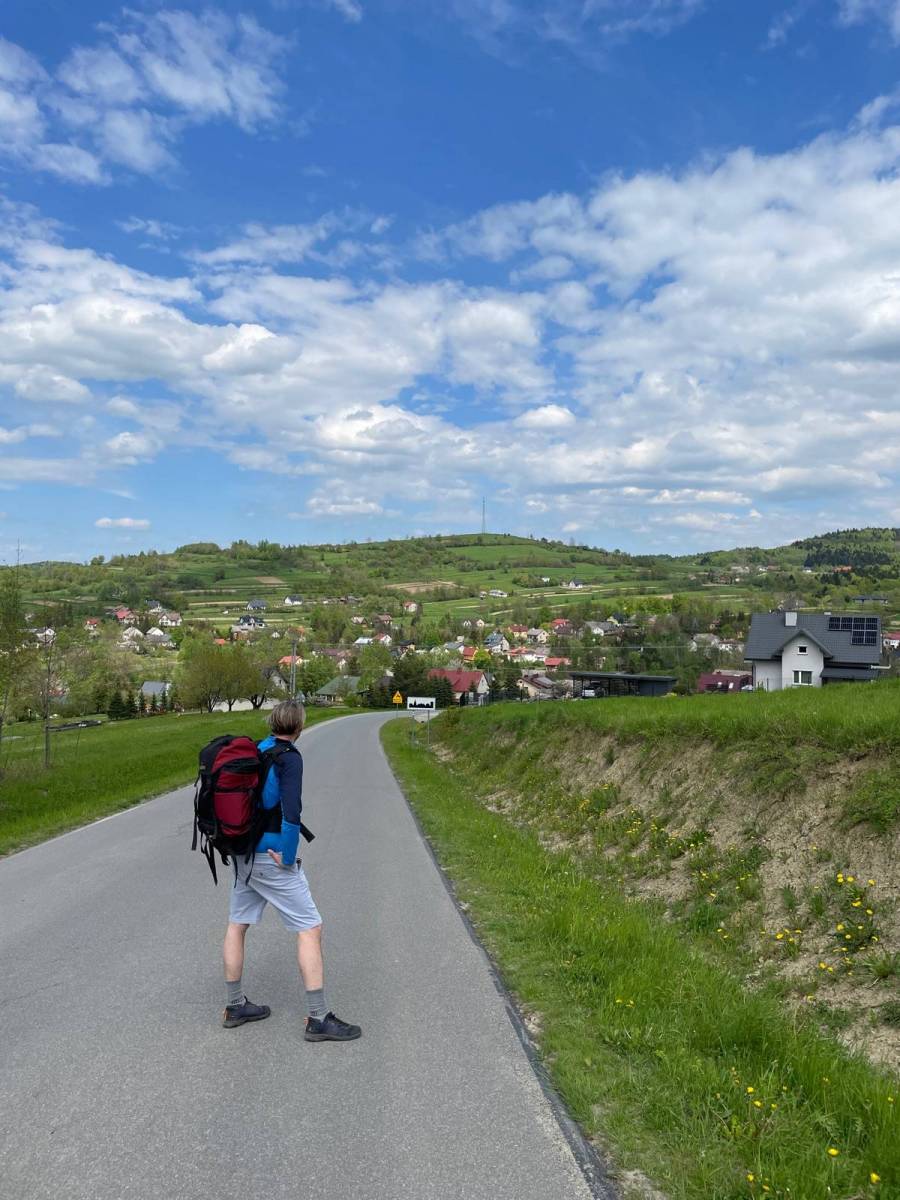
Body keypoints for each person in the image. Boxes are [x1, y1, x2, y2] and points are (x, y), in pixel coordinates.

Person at [221, 699, 361, 1042]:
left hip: (243, 852)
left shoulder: (257, 749)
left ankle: (235, 1006)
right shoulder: (289, 758)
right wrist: (287, 855)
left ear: (272, 723)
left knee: (237, 924)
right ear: (299, 726)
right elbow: (291, 811)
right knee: (310, 928)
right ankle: (319, 1018)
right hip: (270, 857)